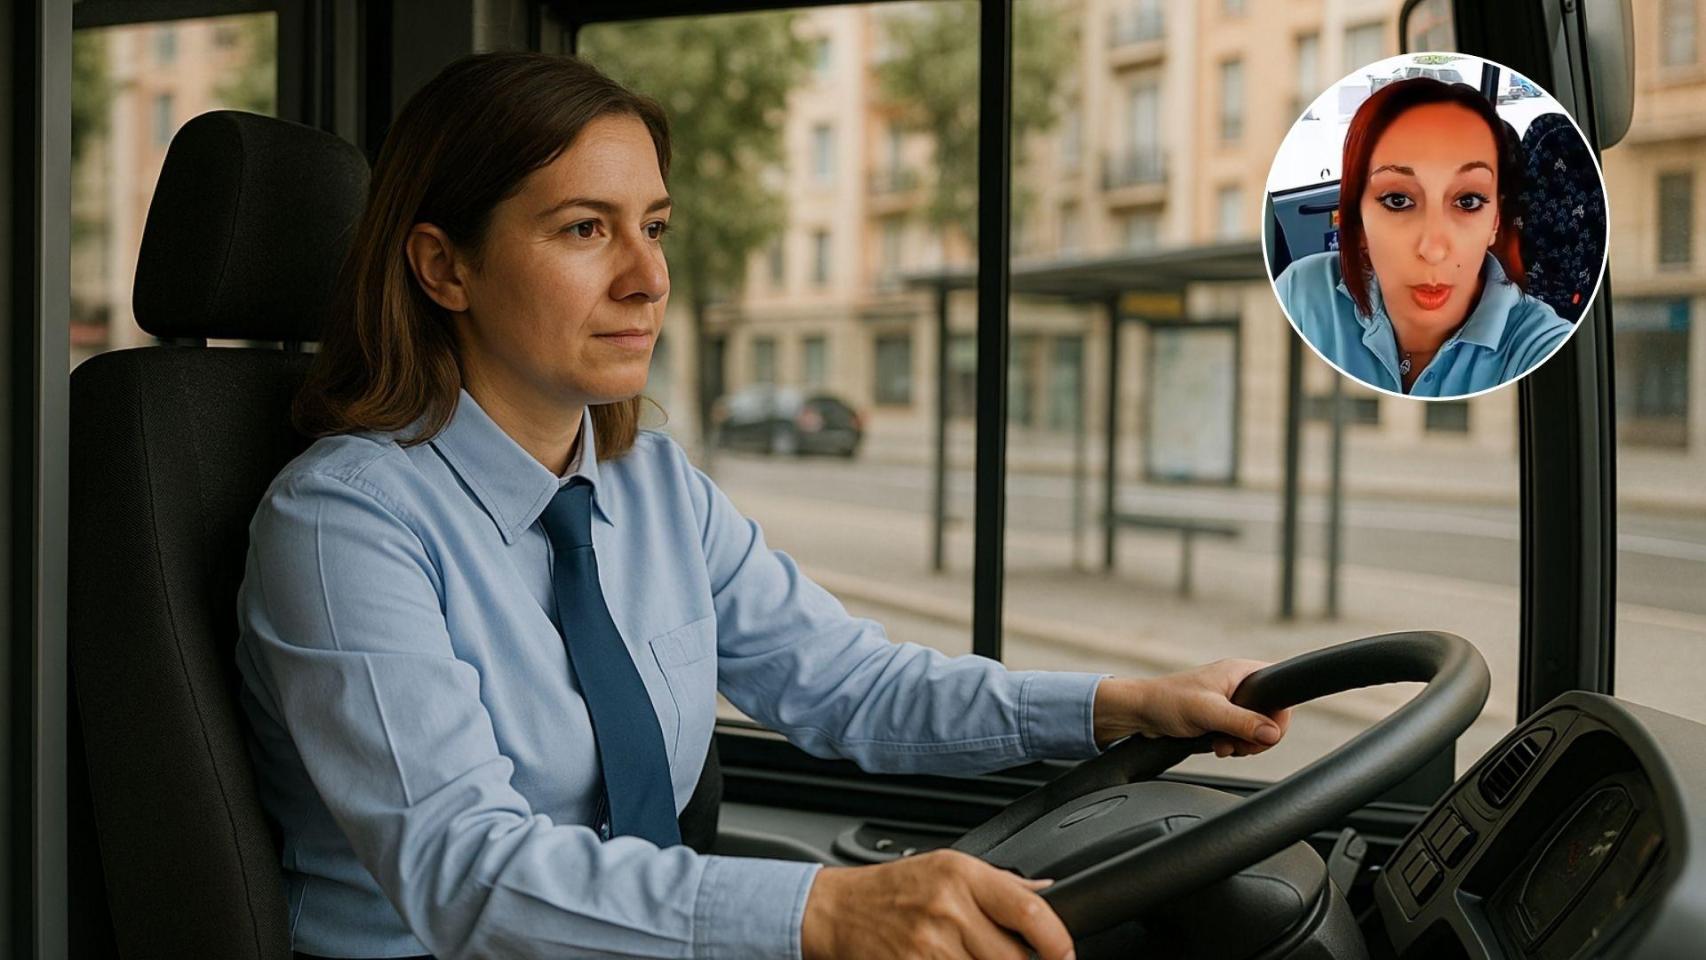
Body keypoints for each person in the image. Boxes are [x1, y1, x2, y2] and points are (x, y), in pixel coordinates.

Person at [235, 51, 1292, 960]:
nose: (648, 278)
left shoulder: (653, 487)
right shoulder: (344, 525)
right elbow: (464, 872)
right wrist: (827, 912)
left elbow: (852, 687)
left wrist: (1121, 704)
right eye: (584, 229)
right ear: (443, 267)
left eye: (654, 226)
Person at [1274, 77, 1576, 397]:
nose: (1433, 250)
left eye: (1468, 201)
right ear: (1358, 219)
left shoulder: (1542, 343)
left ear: (1495, 221)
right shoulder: (1301, 292)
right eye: (1398, 200)